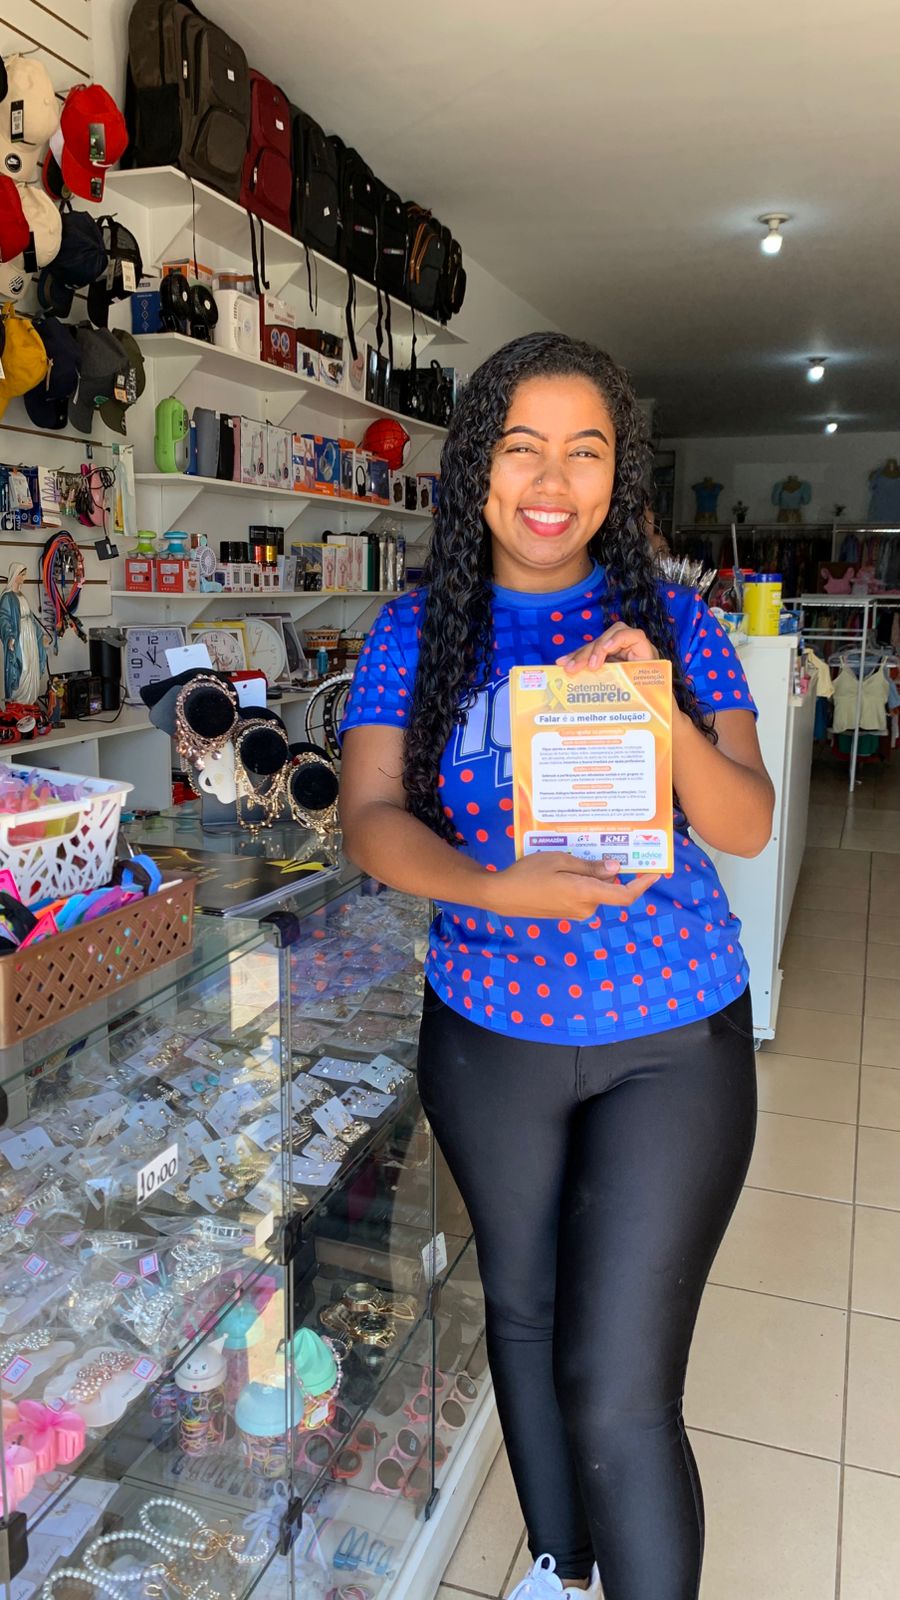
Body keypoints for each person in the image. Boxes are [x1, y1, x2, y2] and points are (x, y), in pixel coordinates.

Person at [339, 332, 774, 1600]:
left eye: (585, 451)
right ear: (476, 466)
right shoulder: (414, 630)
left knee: (617, 1383)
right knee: (523, 1319)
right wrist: (492, 885)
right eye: (520, 446)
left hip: (671, 1033)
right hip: (488, 1033)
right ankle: (560, 1566)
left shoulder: (675, 621)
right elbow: (370, 819)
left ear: (617, 477)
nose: (550, 479)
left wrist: (662, 709)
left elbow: (747, 821)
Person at [0, 563, 47, 705]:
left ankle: (29, 703)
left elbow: (31, 618)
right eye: (22, 574)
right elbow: (3, 618)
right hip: (19, 638)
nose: (24, 578)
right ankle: (19, 703)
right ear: (15, 575)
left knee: (32, 666)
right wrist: (9, 637)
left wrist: (40, 635)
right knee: (23, 668)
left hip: (30, 637)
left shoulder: (22, 596)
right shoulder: (7, 597)